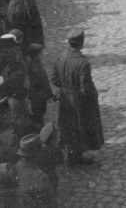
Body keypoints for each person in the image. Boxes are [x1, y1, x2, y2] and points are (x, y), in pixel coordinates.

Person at [51, 29, 104, 166]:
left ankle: (71, 155)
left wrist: (64, 88)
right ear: (81, 43)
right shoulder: (83, 63)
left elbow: (53, 79)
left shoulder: (60, 57)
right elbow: (86, 89)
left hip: (65, 98)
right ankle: (79, 157)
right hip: (78, 101)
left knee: (67, 127)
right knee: (80, 127)